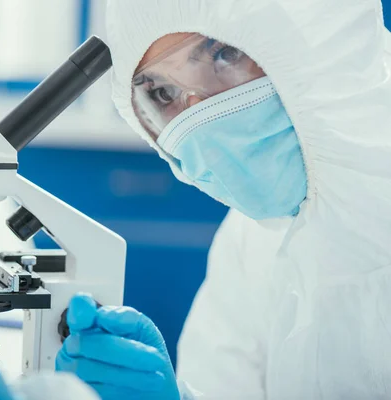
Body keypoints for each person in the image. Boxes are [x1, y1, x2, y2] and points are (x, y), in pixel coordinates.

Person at [56, 0, 391, 399]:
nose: (199, 112)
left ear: (318, 46)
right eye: (164, 93)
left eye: (225, 54)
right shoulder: (251, 241)